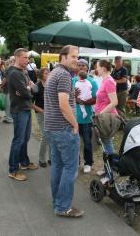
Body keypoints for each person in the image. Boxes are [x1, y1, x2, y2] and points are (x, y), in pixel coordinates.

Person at [44, 45, 84, 217]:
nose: (76, 60)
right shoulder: (64, 75)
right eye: (73, 56)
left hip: (52, 128)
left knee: (58, 166)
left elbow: (59, 99)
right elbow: (63, 104)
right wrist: (75, 124)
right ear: (63, 57)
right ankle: (62, 207)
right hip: (63, 128)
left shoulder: (54, 72)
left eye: (77, 57)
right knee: (70, 168)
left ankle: (58, 202)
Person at [7, 48, 39, 182]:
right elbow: (27, 94)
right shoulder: (14, 73)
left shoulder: (23, 71)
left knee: (25, 138)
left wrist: (28, 88)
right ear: (17, 57)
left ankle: (24, 162)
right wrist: (27, 89)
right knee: (18, 140)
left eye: (27, 58)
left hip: (26, 107)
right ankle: (13, 170)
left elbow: (35, 89)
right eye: (25, 58)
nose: (28, 60)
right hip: (19, 109)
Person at [73, 59, 98, 173]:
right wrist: (74, 96)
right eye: (79, 65)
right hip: (73, 117)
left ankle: (88, 163)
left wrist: (83, 102)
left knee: (87, 142)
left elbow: (95, 99)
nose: (81, 67)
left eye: (83, 65)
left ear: (87, 68)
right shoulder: (72, 80)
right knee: (74, 142)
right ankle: (76, 162)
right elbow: (66, 97)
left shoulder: (92, 81)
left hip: (87, 118)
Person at [95, 59, 119, 155]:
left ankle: (110, 168)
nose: (96, 69)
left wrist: (100, 114)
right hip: (103, 116)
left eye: (98, 67)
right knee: (105, 144)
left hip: (106, 118)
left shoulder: (109, 81)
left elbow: (114, 102)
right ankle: (107, 168)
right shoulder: (105, 80)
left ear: (103, 68)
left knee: (107, 143)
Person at [33, 68, 51, 167]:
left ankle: (51, 158)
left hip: (51, 114)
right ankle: (41, 159)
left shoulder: (51, 85)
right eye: (46, 72)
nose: (48, 74)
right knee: (45, 135)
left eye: (49, 72)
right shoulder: (37, 86)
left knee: (51, 135)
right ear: (41, 75)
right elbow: (30, 103)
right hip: (41, 113)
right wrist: (42, 110)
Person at [2, 56, 15, 123]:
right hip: (13, 89)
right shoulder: (15, 68)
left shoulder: (9, 68)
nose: (9, 61)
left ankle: (8, 118)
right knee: (10, 104)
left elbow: (5, 79)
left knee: (8, 104)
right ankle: (8, 117)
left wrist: (1, 85)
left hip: (8, 89)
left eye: (10, 60)